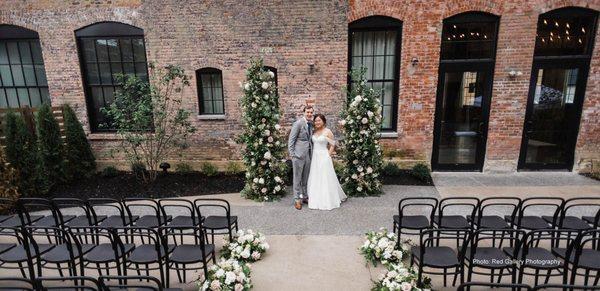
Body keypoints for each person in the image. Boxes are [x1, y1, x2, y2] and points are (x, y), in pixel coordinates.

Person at [307, 114, 347, 210]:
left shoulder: (327, 131)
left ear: (323, 121)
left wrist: (328, 155)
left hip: (324, 156)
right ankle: (316, 198)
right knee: (316, 177)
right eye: (315, 121)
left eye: (319, 120)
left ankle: (327, 199)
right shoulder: (314, 131)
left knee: (325, 177)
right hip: (315, 157)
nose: (317, 122)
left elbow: (333, 144)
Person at [288, 105, 314, 210]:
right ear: (304, 112)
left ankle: (305, 196)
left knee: (305, 177)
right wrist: (292, 155)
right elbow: (291, 140)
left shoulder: (311, 124)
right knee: (297, 178)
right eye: (307, 112)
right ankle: (297, 199)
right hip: (298, 155)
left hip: (308, 154)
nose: (309, 114)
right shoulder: (298, 123)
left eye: (311, 112)